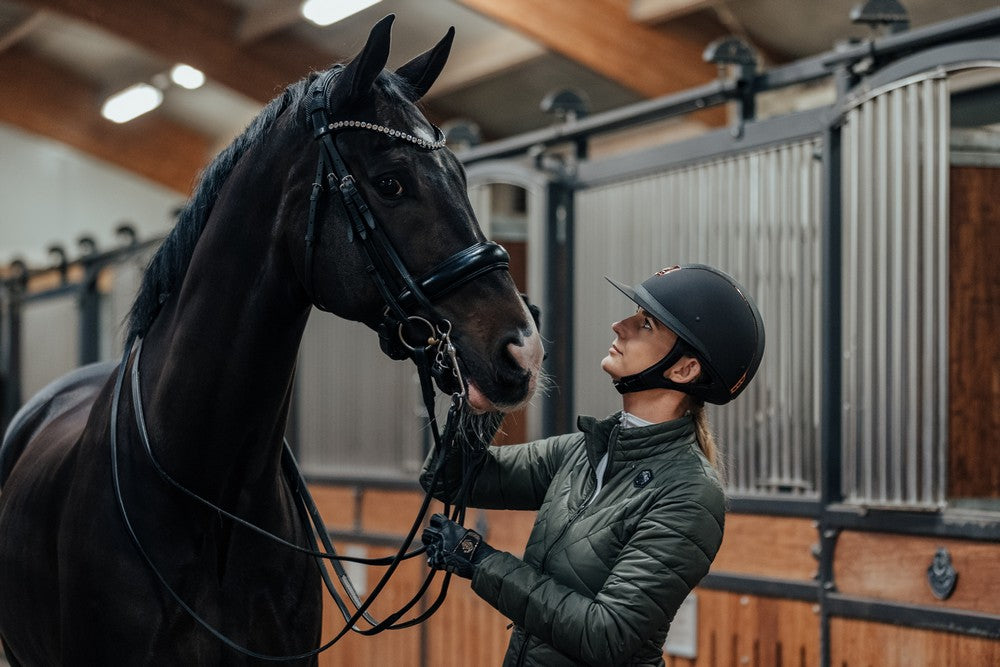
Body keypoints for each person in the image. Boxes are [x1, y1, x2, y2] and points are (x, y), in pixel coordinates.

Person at [420, 264, 765, 667]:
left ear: (684, 369)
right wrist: (494, 377)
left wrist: (481, 561)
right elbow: (449, 479)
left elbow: (606, 634)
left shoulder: (689, 493)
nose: (620, 325)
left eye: (647, 324)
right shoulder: (582, 452)